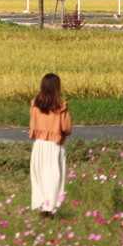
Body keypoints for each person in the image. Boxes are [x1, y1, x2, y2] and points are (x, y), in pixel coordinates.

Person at [29, 73, 72, 219]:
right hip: (55, 146)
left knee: (39, 177)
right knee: (54, 177)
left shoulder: (35, 105)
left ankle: (42, 207)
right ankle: (50, 209)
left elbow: (32, 125)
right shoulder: (61, 107)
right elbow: (67, 128)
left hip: (39, 145)